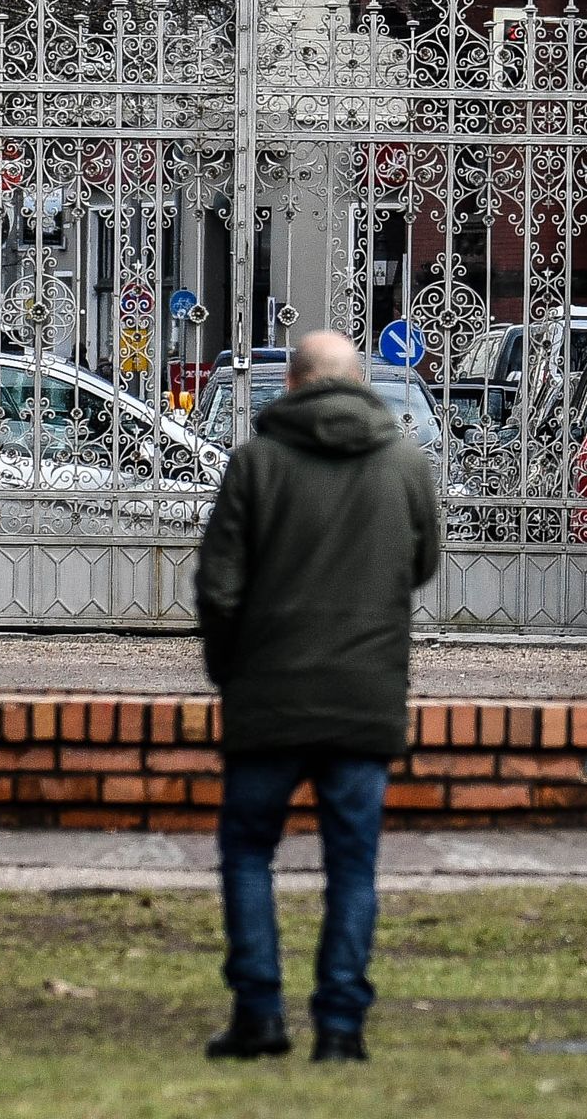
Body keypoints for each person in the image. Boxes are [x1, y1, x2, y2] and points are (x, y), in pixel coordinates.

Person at [192, 325, 445, 1064]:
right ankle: (340, 1023)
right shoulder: (403, 463)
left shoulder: (256, 462)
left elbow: (218, 585)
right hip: (365, 693)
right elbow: (422, 563)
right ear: (361, 383)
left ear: (293, 383)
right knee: (352, 862)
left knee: (247, 851)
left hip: (268, 692)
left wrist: (230, 671)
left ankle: (259, 1014)